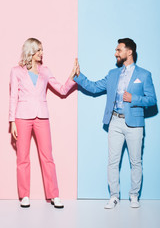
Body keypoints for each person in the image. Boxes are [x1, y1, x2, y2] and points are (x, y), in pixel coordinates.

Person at [72, 38, 157, 209]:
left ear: (129, 52)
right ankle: (114, 196)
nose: (115, 53)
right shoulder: (112, 74)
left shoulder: (144, 74)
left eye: (119, 50)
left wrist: (134, 98)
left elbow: (152, 100)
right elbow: (95, 87)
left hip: (135, 124)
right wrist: (79, 76)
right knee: (112, 161)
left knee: (136, 162)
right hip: (115, 121)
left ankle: (134, 196)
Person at [9, 38, 76, 208]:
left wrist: (72, 76)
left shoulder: (45, 71)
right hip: (22, 117)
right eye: (38, 50)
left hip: (42, 117)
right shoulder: (16, 71)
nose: (41, 53)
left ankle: (54, 195)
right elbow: (13, 98)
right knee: (22, 158)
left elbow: (61, 89)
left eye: (42, 50)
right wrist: (12, 122)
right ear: (30, 51)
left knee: (47, 157)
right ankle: (24, 196)